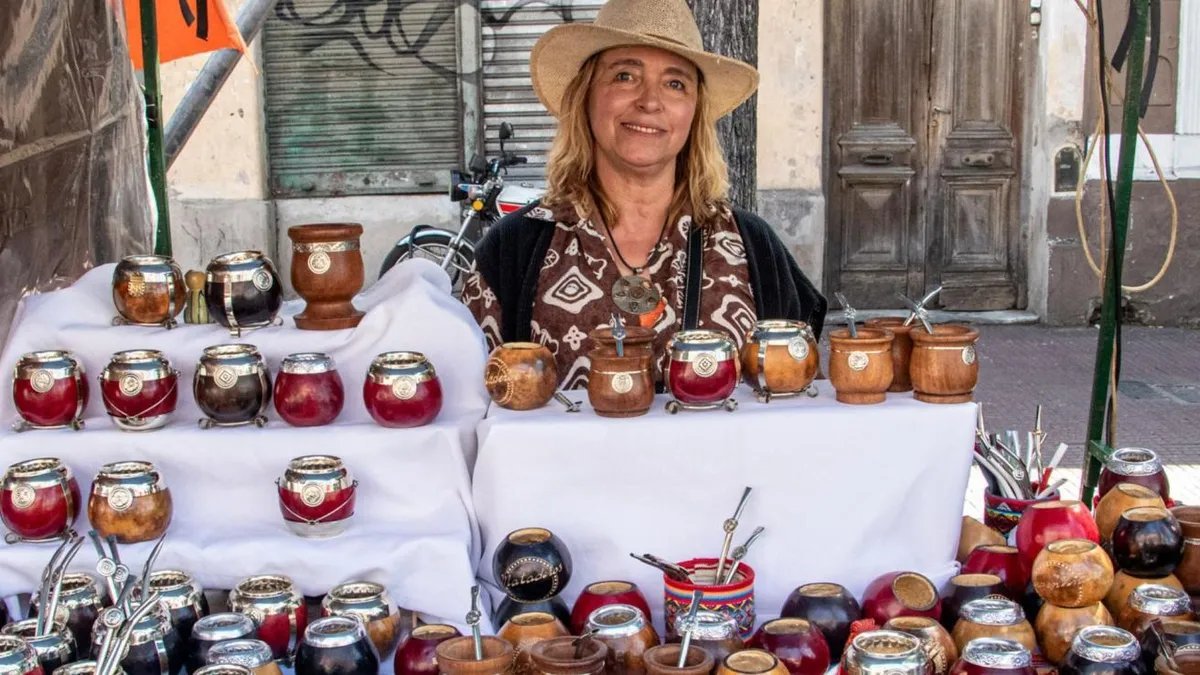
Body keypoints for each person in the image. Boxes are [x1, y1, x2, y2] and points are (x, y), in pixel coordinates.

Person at [463, 0, 826, 389]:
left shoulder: (754, 248)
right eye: (625, 76)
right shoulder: (513, 250)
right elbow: (475, 405)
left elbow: (800, 402)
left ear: (694, 111)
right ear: (586, 96)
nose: (650, 101)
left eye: (675, 84)